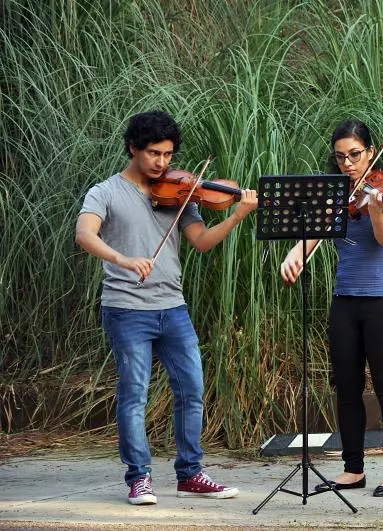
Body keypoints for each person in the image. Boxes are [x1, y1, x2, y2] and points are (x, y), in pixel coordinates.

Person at [75, 110, 258, 505]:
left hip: (173, 307)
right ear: (133, 148)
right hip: (126, 309)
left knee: (192, 390)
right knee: (134, 395)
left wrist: (237, 216)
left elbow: (202, 241)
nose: (162, 163)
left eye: (168, 154)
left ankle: (190, 474)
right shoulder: (105, 192)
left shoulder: (180, 192)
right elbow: (85, 234)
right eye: (154, 153)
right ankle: (139, 478)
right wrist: (123, 259)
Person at [280, 119, 383, 497]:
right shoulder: (337, 195)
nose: (348, 164)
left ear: (370, 152)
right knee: (347, 387)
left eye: (354, 155)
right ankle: (353, 469)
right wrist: (294, 256)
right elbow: (311, 239)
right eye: (340, 158)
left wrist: (376, 209)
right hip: (345, 301)